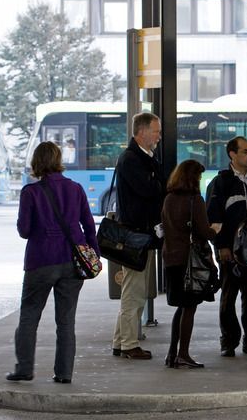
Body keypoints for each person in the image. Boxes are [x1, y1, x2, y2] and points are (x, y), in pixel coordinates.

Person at [7, 141, 100, 384]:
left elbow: (24, 231)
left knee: (29, 316)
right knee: (66, 321)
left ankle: (24, 369)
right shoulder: (76, 188)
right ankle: (64, 373)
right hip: (72, 261)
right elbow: (89, 226)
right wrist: (94, 256)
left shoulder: (31, 192)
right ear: (59, 160)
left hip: (41, 261)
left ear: (37, 162)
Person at [206, 136, 247, 357]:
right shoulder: (221, 183)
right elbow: (214, 218)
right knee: (229, 296)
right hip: (230, 248)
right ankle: (228, 341)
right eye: (244, 151)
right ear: (232, 154)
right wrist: (221, 246)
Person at [111, 112, 165, 360]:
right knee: (134, 292)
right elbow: (150, 190)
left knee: (134, 290)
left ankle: (120, 341)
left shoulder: (143, 158)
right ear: (142, 132)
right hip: (136, 236)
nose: (159, 135)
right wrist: (158, 182)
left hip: (140, 235)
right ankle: (129, 345)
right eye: (156, 130)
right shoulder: (132, 160)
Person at [161, 159, 217, 369]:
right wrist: (215, 231)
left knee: (181, 307)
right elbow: (203, 231)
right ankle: (183, 354)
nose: (200, 180)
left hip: (171, 259)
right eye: (199, 176)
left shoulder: (169, 199)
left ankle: (172, 354)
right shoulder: (195, 200)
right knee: (189, 307)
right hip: (189, 262)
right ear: (193, 178)